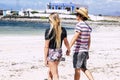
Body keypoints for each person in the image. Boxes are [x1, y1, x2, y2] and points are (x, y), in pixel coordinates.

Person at [69, 7, 94, 80]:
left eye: (77, 14)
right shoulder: (87, 26)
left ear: (81, 16)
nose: (76, 16)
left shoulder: (79, 25)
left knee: (77, 69)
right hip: (85, 51)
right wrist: (87, 51)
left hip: (78, 51)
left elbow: (75, 37)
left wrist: (69, 48)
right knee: (84, 68)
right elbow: (89, 40)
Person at [44, 12, 70, 80]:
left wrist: (45, 59)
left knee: (55, 74)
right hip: (59, 53)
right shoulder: (63, 30)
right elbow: (66, 42)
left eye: (49, 20)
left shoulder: (49, 31)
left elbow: (46, 46)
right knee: (50, 72)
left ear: (51, 21)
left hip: (51, 53)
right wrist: (68, 50)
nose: (49, 22)